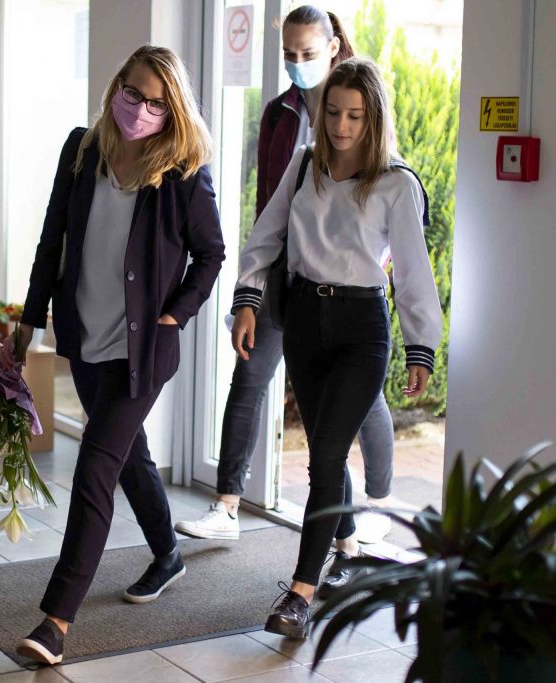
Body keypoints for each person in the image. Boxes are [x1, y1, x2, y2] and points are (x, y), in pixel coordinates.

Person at [13, 45, 224, 665]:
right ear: (115, 89)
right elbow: (53, 237)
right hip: (85, 338)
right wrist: (29, 319)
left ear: (172, 110)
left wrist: (173, 316)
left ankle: (55, 621)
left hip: (142, 351)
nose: (141, 109)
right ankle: (168, 553)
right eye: (133, 94)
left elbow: (211, 254)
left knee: (95, 468)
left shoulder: (183, 171)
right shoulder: (82, 150)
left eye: (157, 103)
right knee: (130, 454)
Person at [231, 57, 441, 639]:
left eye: (355, 115)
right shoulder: (304, 166)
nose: (342, 126)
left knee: (324, 454)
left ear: (374, 119)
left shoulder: (396, 183)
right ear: (321, 114)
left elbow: (413, 274)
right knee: (328, 446)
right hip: (302, 320)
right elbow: (266, 237)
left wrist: (420, 346)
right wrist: (247, 300)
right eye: (333, 113)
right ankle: (346, 548)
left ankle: (299, 595)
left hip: (360, 329)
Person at [175, 6, 398, 553]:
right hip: (287, 278)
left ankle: (373, 507)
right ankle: (228, 503)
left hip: (347, 290)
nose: (297, 63)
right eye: (289, 54)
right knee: (250, 377)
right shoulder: (279, 114)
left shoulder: (363, 105)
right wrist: (251, 289)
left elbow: (388, 193)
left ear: (333, 46)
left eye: (307, 53)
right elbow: (270, 201)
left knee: (356, 406)